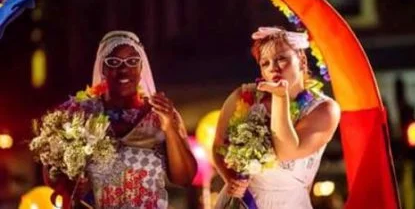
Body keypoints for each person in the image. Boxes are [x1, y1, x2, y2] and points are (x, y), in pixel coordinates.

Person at [43, 30, 197, 208]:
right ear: (103, 68)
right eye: (114, 62)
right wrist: (70, 184)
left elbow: (185, 179)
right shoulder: (79, 114)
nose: (124, 69)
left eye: (132, 62)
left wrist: (169, 128)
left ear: (141, 68)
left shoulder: (161, 113)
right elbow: (51, 171)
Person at [213, 27, 341, 208]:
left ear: (302, 61)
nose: (273, 67)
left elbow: (287, 152)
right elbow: (219, 145)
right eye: (265, 63)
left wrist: (281, 97)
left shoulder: (325, 109)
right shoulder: (243, 97)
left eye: (281, 59)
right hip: (240, 200)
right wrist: (231, 179)